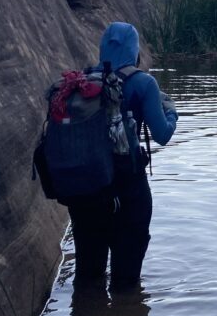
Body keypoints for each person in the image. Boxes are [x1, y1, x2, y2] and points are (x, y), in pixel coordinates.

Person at [67, 21, 178, 290]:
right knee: (126, 286)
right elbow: (162, 134)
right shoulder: (143, 83)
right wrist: (171, 110)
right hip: (128, 192)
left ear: (102, 49)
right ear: (135, 51)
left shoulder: (82, 81)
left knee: (87, 280)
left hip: (85, 194)